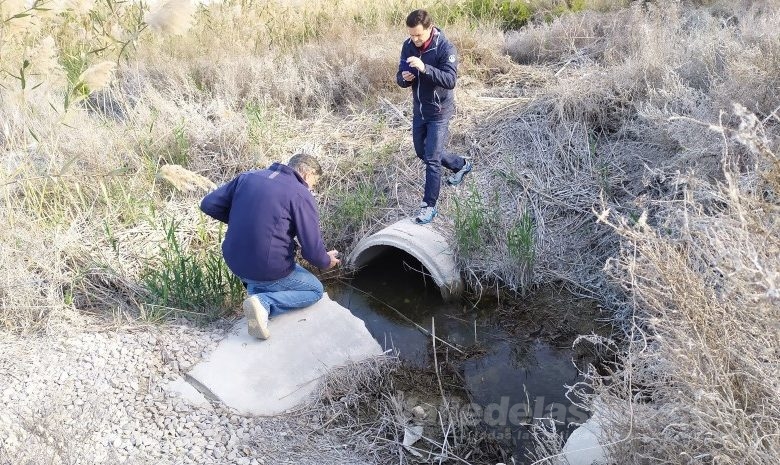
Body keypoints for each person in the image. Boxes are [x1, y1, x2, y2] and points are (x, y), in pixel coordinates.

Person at [199, 154, 340, 340]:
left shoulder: (248, 177)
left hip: (234, 260)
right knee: (314, 289)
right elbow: (312, 251)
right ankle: (264, 303)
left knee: (269, 270)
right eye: (314, 183)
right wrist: (326, 261)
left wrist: (240, 221)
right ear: (308, 173)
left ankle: (255, 295)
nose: (311, 188)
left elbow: (208, 204)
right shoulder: (300, 193)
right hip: (267, 267)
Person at [397, 9, 473, 225]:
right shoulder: (408, 45)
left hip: (439, 112)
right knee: (423, 152)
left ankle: (428, 206)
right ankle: (460, 164)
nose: (414, 39)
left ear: (430, 29)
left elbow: (450, 80)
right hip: (419, 110)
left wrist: (425, 68)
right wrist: (405, 78)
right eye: (411, 35)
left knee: (431, 158)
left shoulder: (445, 47)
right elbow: (400, 78)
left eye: (418, 35)